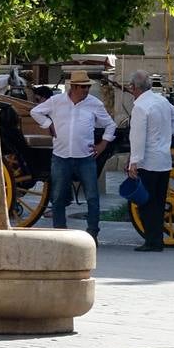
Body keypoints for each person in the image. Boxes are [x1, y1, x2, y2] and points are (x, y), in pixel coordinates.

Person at [30, 70, 116, 242]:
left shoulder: (94, 103)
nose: (86, 90)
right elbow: (36, 112)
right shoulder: (56, 101)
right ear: (74, 87)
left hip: (85, 158)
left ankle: (93, 233)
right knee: (58, 196)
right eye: (83, 87)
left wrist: (103, 144)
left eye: (87, 87)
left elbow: (110, 125)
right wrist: (48, 124)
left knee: (92, 196)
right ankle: (60, 234)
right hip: (61, 156)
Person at [123, 70, 174, 252]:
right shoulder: (161, 101)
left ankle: (152, 240)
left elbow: (138, 137)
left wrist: (134, 162)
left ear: (134, 88)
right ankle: (157, 240)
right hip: (163, 159)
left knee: (146, 203)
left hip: (148, 161)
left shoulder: (140, 107)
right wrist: (168, 135)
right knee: (158, 202)